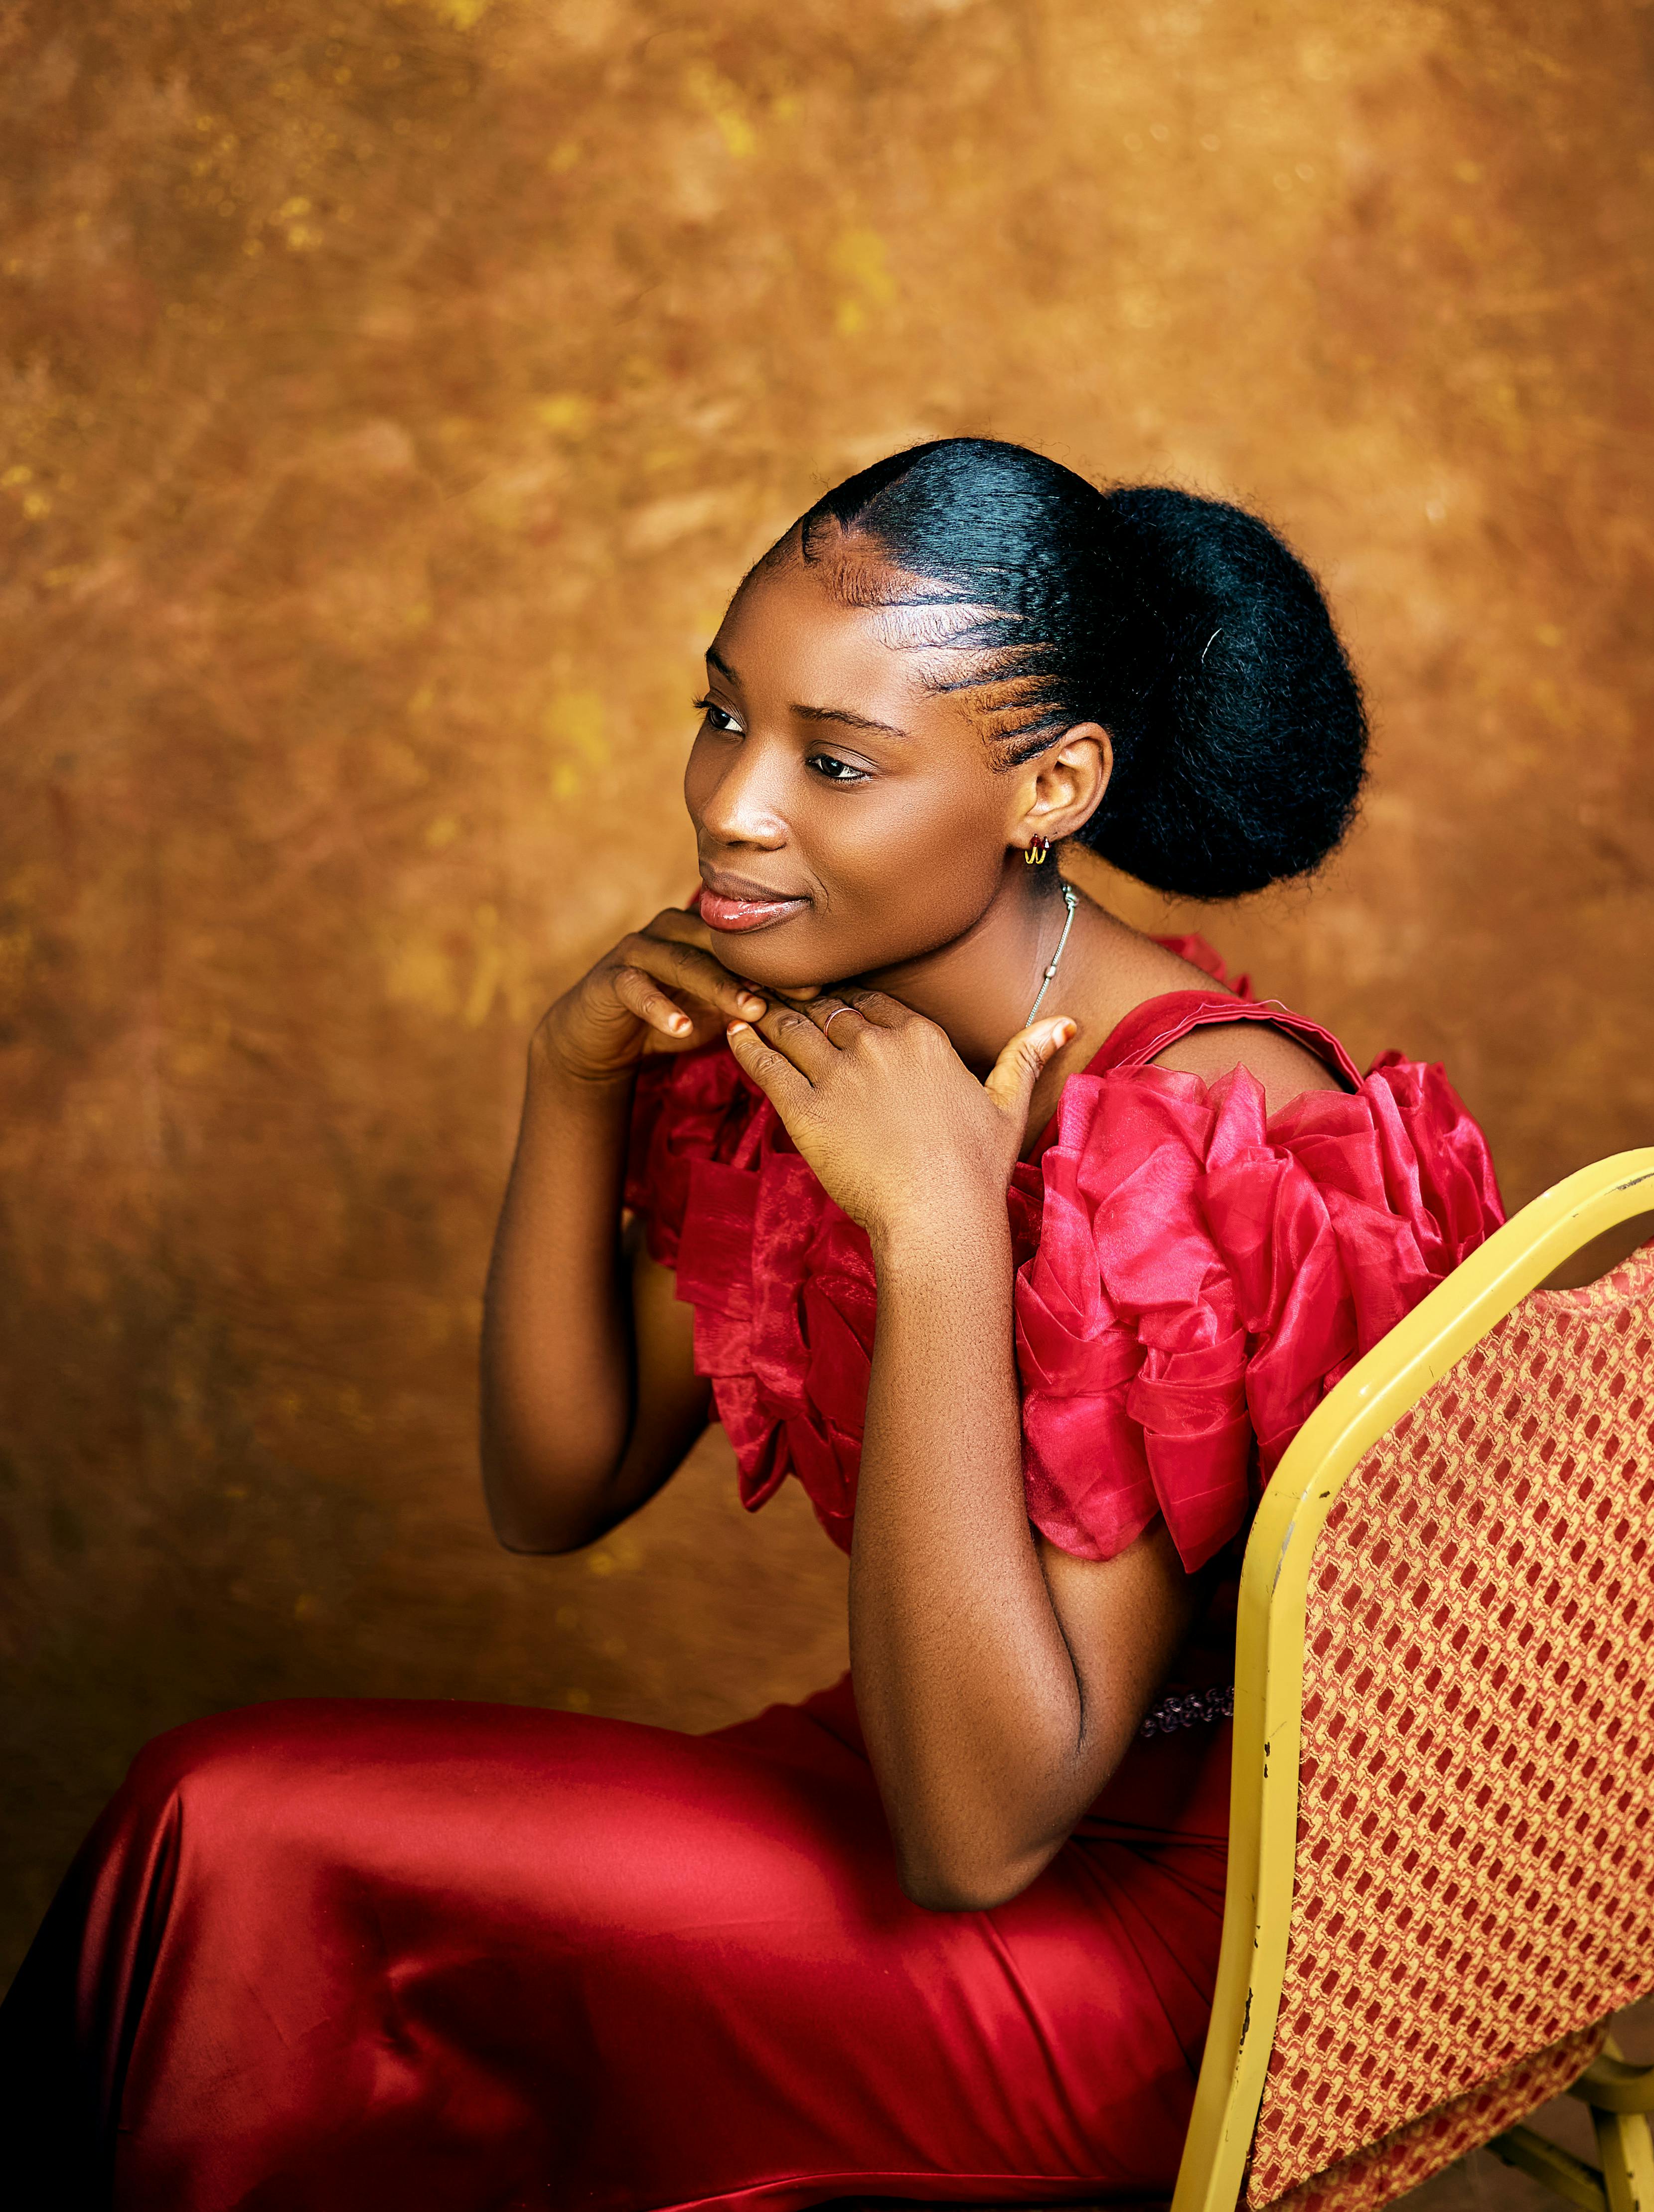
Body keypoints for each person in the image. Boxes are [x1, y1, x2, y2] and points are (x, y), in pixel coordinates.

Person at [0, 439, 1504, 2211]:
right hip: (902, 1762)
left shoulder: (1193, 1137)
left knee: (235, 1828)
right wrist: (568, 1085)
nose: (734, 806)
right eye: (724, 716)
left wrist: (939, 1227)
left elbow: (982, 1837)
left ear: (1053, 786)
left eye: (837, 762)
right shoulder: (817, 1030)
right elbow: (556, 1489)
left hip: (1174, 1963)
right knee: (271, 1851)